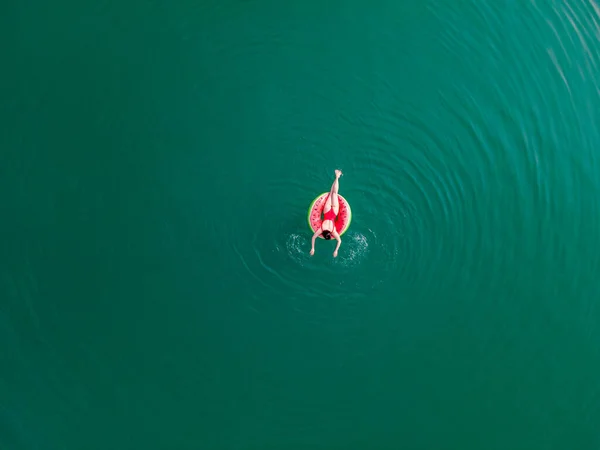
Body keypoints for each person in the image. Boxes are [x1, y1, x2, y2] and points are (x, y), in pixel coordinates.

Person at [310, 170, 343, 257]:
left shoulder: (332, 231)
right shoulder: (321, 229)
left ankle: (337, 177)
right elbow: (313, 238)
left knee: (334, 193)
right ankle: (337, 176)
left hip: (333, 212)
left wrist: (336, 250)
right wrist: (313, 248)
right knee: (332, 193)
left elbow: (339, 241)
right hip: (327, 211)